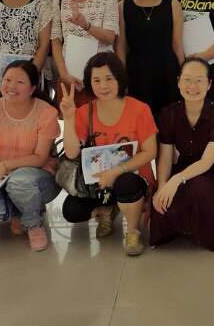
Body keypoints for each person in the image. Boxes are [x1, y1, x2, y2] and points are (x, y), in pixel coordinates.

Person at [59, 53, 158, 256]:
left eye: (109, 78)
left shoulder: (139, 109)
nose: (103, 86)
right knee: (72, 211)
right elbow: (71, 152)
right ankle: (107, 209)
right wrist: (68, 119)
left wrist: (116, 171)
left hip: (132, 176)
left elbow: (150, 152)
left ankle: (132, 231)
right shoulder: (84, 111)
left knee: (127, 184)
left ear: (119, 78)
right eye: (96, 80)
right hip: (98, 183)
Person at [151, 57, 214, 251]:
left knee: (199, 186)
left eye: (199, 80)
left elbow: (206, 162)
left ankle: (208, 231)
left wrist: (176, 180)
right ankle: (183, 227)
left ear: (209, 84)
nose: (192, 86)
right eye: (187, 80)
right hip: (184, 167)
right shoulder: (168, 113)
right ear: (178, 82)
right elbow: (165, 157)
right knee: (163, 194)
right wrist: (162, 185)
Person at [0, 60, 61, 251]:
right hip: (3, 177)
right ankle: (19, 211)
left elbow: (39, 157)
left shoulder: (46, 112)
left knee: (19, 181)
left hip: (39, 176)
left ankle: (33, 224)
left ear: (32, 88)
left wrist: (4, 165)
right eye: (7, 80)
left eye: (20, 82)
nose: (11, 86)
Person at [50, 0, 119, 106]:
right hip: (70, 78)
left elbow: (110, 37)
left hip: (102, 77)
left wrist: (86, 25)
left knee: (103, 120)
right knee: (70, 121)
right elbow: (55, 41)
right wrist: (64, 74)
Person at [117, 0, 184, 118]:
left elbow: (177, 44)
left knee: (168, 122)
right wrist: (121, 79)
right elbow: (121, 47)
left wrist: (185, 74)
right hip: (136, 74)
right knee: (140, 122)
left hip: (167, 72)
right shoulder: (123, 7)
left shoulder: (172, 5)